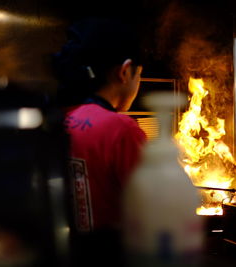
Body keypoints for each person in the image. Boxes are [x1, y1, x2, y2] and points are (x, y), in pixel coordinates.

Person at [52, 17, 146, 266]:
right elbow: (153, 213)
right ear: (125, 72)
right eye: (139, 76)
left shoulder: (53, 118)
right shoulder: (121, 129)